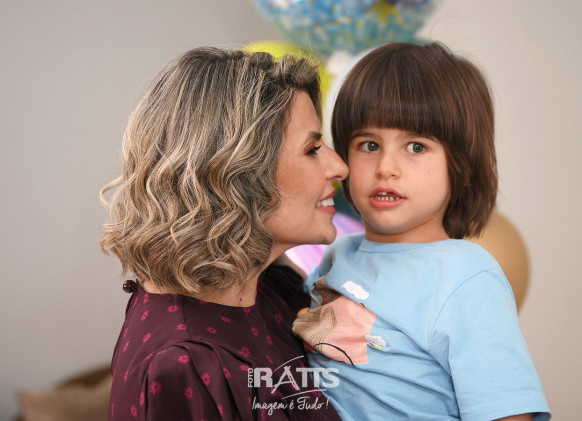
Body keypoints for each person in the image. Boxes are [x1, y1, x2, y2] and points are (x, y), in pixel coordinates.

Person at [292, 42, 551, 421]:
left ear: (460, 165)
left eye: (416, 147)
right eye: (368, 145)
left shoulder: (466, 276)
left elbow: (507, 414)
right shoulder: (337, 255)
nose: (386, 167)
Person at [100, 47, 349, 420]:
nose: (340, 167)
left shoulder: (269, 286)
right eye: (313, 148)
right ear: (236, 172)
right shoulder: (187, 365)